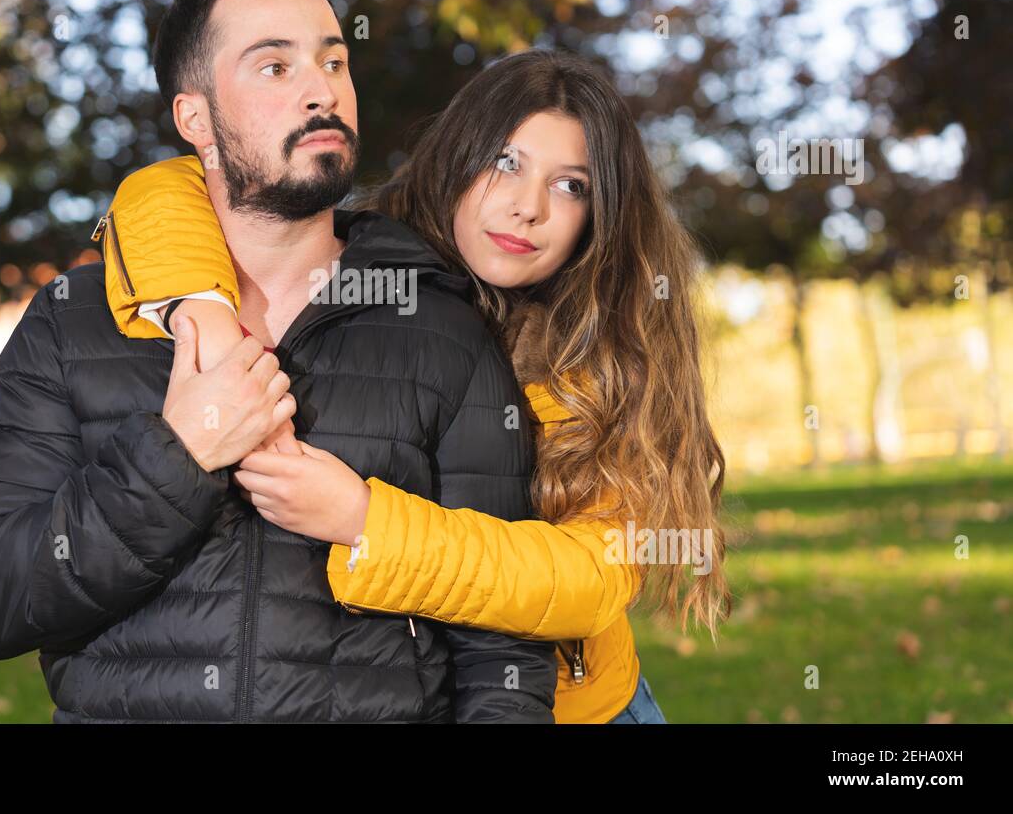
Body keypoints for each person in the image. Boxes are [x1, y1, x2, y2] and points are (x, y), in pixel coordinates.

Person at [0, 0, 558, 723]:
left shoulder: (439, 326)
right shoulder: (74, 324)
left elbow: (501, 643)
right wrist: (177, 456)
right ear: (196, 118)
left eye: (334, 61)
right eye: (275, 66)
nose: (322, 90)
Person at [99, 48, 731, 722]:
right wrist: (209, 317)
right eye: (507, 162)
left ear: (598, 212)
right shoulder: (364, 259)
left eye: (570, 185)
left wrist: (366, 523)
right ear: (460, 152)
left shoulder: (603, 352)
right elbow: (162, 191)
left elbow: (589, 580)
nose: (528, 208)